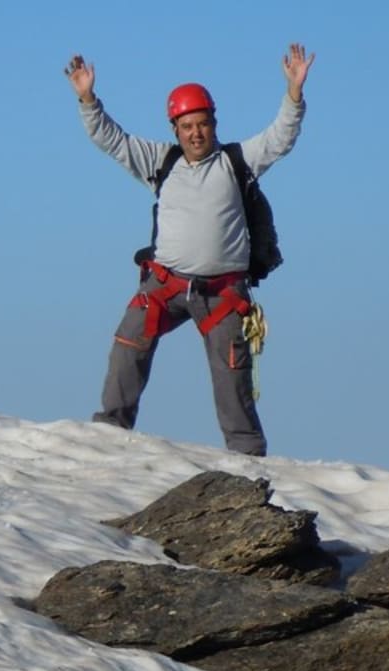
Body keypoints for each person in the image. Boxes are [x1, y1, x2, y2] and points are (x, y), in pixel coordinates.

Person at [64, 44, 314, 456]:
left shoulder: (237, 162)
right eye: (186, 126)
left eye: (202, 124)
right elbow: (112, 140)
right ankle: (107, 438)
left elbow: (280, 138)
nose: (195, 133)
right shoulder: (161, 162)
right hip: (164, 287)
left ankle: (248, 460)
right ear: (175, 129)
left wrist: (293, 92)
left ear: (214, 124)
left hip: (222, 296)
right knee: (128, 347)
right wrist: (88, 99)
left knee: (232, 376)